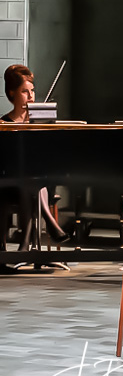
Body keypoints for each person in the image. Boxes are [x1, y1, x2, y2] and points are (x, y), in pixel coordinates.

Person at [1, 64, 72, 249]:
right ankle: (48, 225)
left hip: (35, 181)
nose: (31, 96)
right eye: (25, 91)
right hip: (10, 184)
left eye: (32, 91)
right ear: (12, 93)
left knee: (33, 180)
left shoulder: (39, 121)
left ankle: (25, 245)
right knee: (30, 182)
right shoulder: (4, 123)